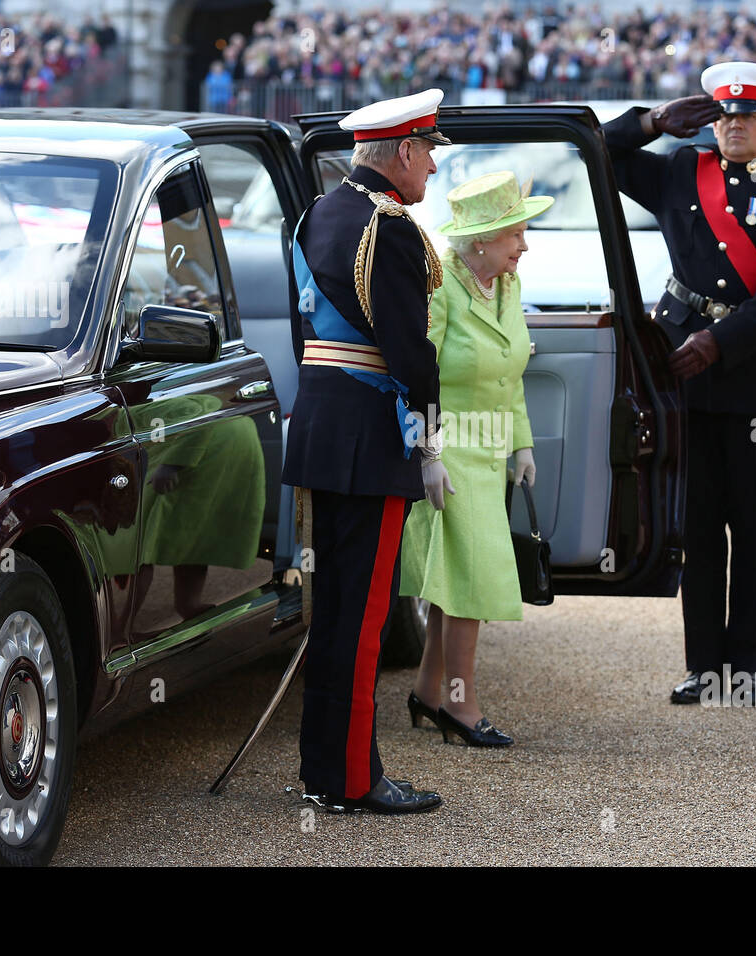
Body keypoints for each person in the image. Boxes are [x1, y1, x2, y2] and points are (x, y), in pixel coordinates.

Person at [601, 62, 756, 706]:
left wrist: (720, 342)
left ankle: (747, 667)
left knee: (752, 526)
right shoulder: (679, 172)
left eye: (747, 116)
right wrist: (650, 122)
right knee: (695, 524)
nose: (733, 125)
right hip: (683, 374)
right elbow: (600, 155)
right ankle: (704, 665)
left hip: (750, 372)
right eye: (724, 115)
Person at [281, 88, 451, 811]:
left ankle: (324, 771)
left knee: (335, 613)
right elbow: (411, 354)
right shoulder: (390, 228)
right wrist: (430, 437)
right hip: (372, 435)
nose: (434, 172)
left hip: (322, 423)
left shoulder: (319, 212)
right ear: (404, 153)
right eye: (430, 156)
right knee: (364, 615)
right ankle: (352, 780)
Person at [399, 170, 553, 747]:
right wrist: (427, 451)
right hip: (449, 446)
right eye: (516, 233)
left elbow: (510, 375)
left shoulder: (507, 286)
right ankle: (462, 706)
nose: (525, 245)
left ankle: (429, 694)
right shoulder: (440, 287)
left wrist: (522, 442)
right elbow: (418, 374)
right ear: (482, 240)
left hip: (488, 450)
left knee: (458, 582)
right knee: (472, 580)